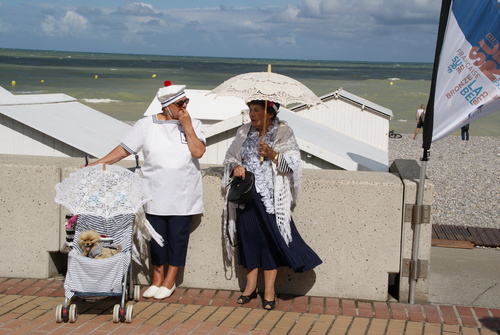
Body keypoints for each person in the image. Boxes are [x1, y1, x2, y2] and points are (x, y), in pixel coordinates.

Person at [89, 81, 206, 300]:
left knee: (178, 238)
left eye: (186, 102)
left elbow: (198, 152)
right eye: (180, 104)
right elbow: (124, 150)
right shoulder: (147, 125)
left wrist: (187, 126)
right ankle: (157, 279)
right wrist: (99, 164)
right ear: (167, 106)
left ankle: (170, 281)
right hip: (155, 191)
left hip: (184, 192)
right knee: (157, 238)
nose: (185, 107)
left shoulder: (194, 124)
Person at [222, 100, 322, 311]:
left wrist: (273, 155)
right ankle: (250, 288)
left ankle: (269, 290)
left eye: (257, 110)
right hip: (247, 196)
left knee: (269, 242)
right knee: (249, 239)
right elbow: (230, 157)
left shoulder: (283, 133)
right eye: (250, 110)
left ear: (270, 113)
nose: (251, 114)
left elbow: (294, 164)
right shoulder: (243, 132)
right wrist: (236, 167)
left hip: (271, 199)